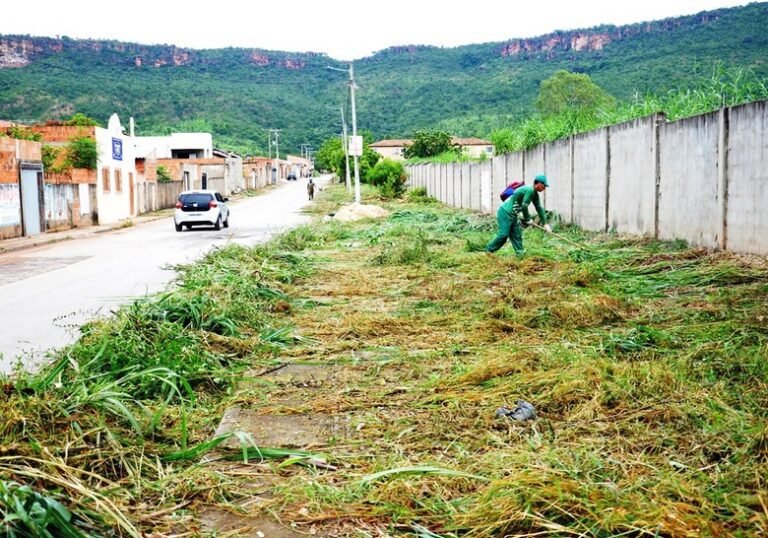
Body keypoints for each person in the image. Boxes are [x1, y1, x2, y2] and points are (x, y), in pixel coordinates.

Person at [485, 174, 552, 255]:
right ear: (539, 183)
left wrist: (545, 224)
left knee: (516, 235)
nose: (544, 188)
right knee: (504, 234)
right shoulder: (530, 190)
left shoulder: (534, 194)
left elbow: (539, 208)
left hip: (513, 215)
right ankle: (489, 250)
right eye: (544, 186)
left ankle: (520, 254)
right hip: (505, 212)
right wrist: (528, 219)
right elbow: (524, 206)